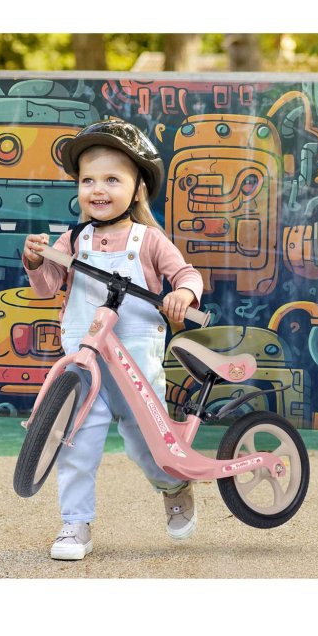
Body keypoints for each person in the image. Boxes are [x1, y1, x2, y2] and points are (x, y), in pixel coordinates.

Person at [22, 118, 204, 561]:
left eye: (111, 180)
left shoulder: (149, 240)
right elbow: (47, 288)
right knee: (75, 441)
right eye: (88, 180)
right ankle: (75, 522)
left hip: (135, 364)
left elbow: (186, 274)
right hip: (85, 363)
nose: (97, 189)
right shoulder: (74, 238)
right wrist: (36, 262)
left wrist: (182, 294)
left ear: (138, 188)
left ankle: (173, 484)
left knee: (147, 446)